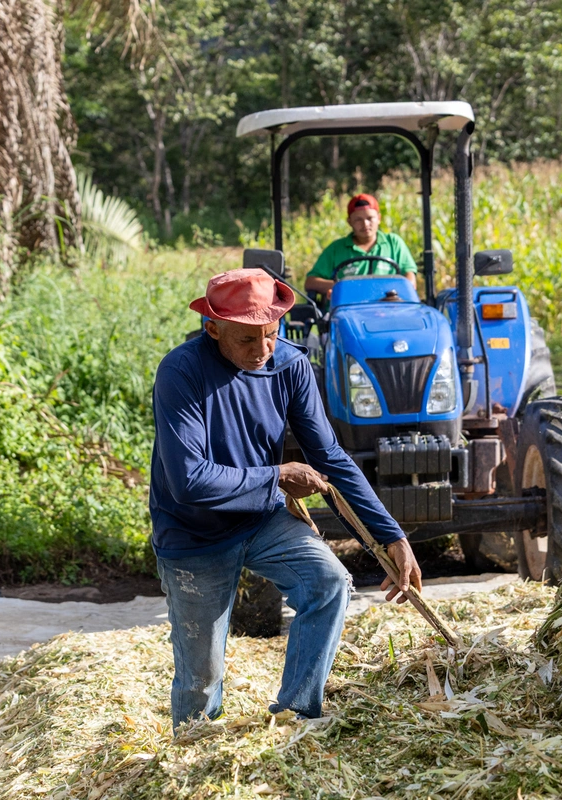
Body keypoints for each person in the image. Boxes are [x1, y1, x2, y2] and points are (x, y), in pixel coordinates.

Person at [150, 267, 422, 732]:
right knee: (202, 678)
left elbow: (329, 457)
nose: (262, 350)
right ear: (213, 329)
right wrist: (277, 475)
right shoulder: (181, 372)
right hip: (193, 531)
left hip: (260, 518)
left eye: (271, 335)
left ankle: (295, 718)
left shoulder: (289, 365)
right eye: (246, 339)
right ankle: (197, 752)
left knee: (328, 583)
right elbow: (190, 482)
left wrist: (390, 536)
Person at [304, 193, 417, 302]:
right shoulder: (336, 249)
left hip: (388, 306)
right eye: (358, 220)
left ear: (379, 218)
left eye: (370, 218)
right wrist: (341, 287)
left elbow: (410, 276)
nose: (365, 224)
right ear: (349, 222)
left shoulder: (394, 243)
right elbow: (311, 282)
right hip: (348, 307)